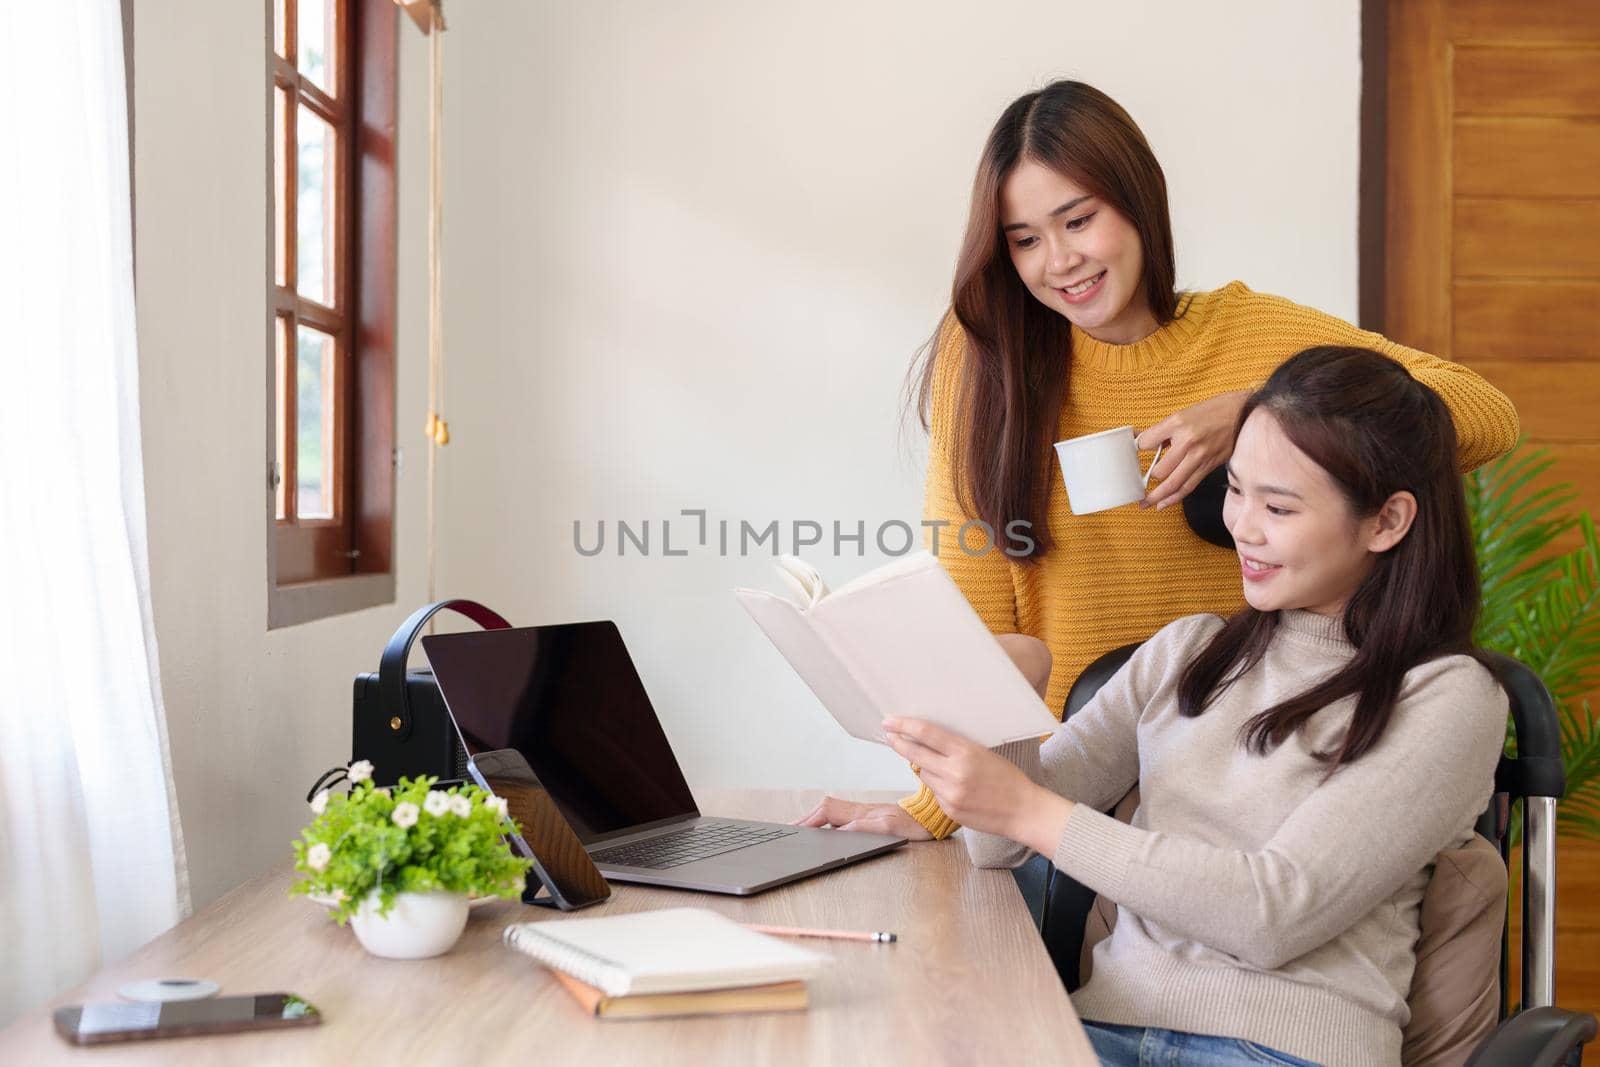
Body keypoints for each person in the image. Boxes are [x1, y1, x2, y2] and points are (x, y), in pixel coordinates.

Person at [794, 79, 1517, 841]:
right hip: (1055, 791)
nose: (1060, 260)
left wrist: (1258, 409)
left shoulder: (1252, 335)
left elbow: (1481, 412)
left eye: (1079, 220)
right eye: (1025, 237)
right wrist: (941, 810)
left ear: (1137, 202)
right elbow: (976, 618)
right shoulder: (987, 364)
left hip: (1237, 783)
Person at [879, 346, 1508, 1066]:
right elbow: (1000, 843)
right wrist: (1005, 706)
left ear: (1387, 520)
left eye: (1279, 506)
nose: (1243, 524)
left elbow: (1275, 911)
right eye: (1235, 490)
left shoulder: (1447, 696)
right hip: (1102, 1032)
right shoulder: (1188, 653)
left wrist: (1025, 808)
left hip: (1283, 1050)